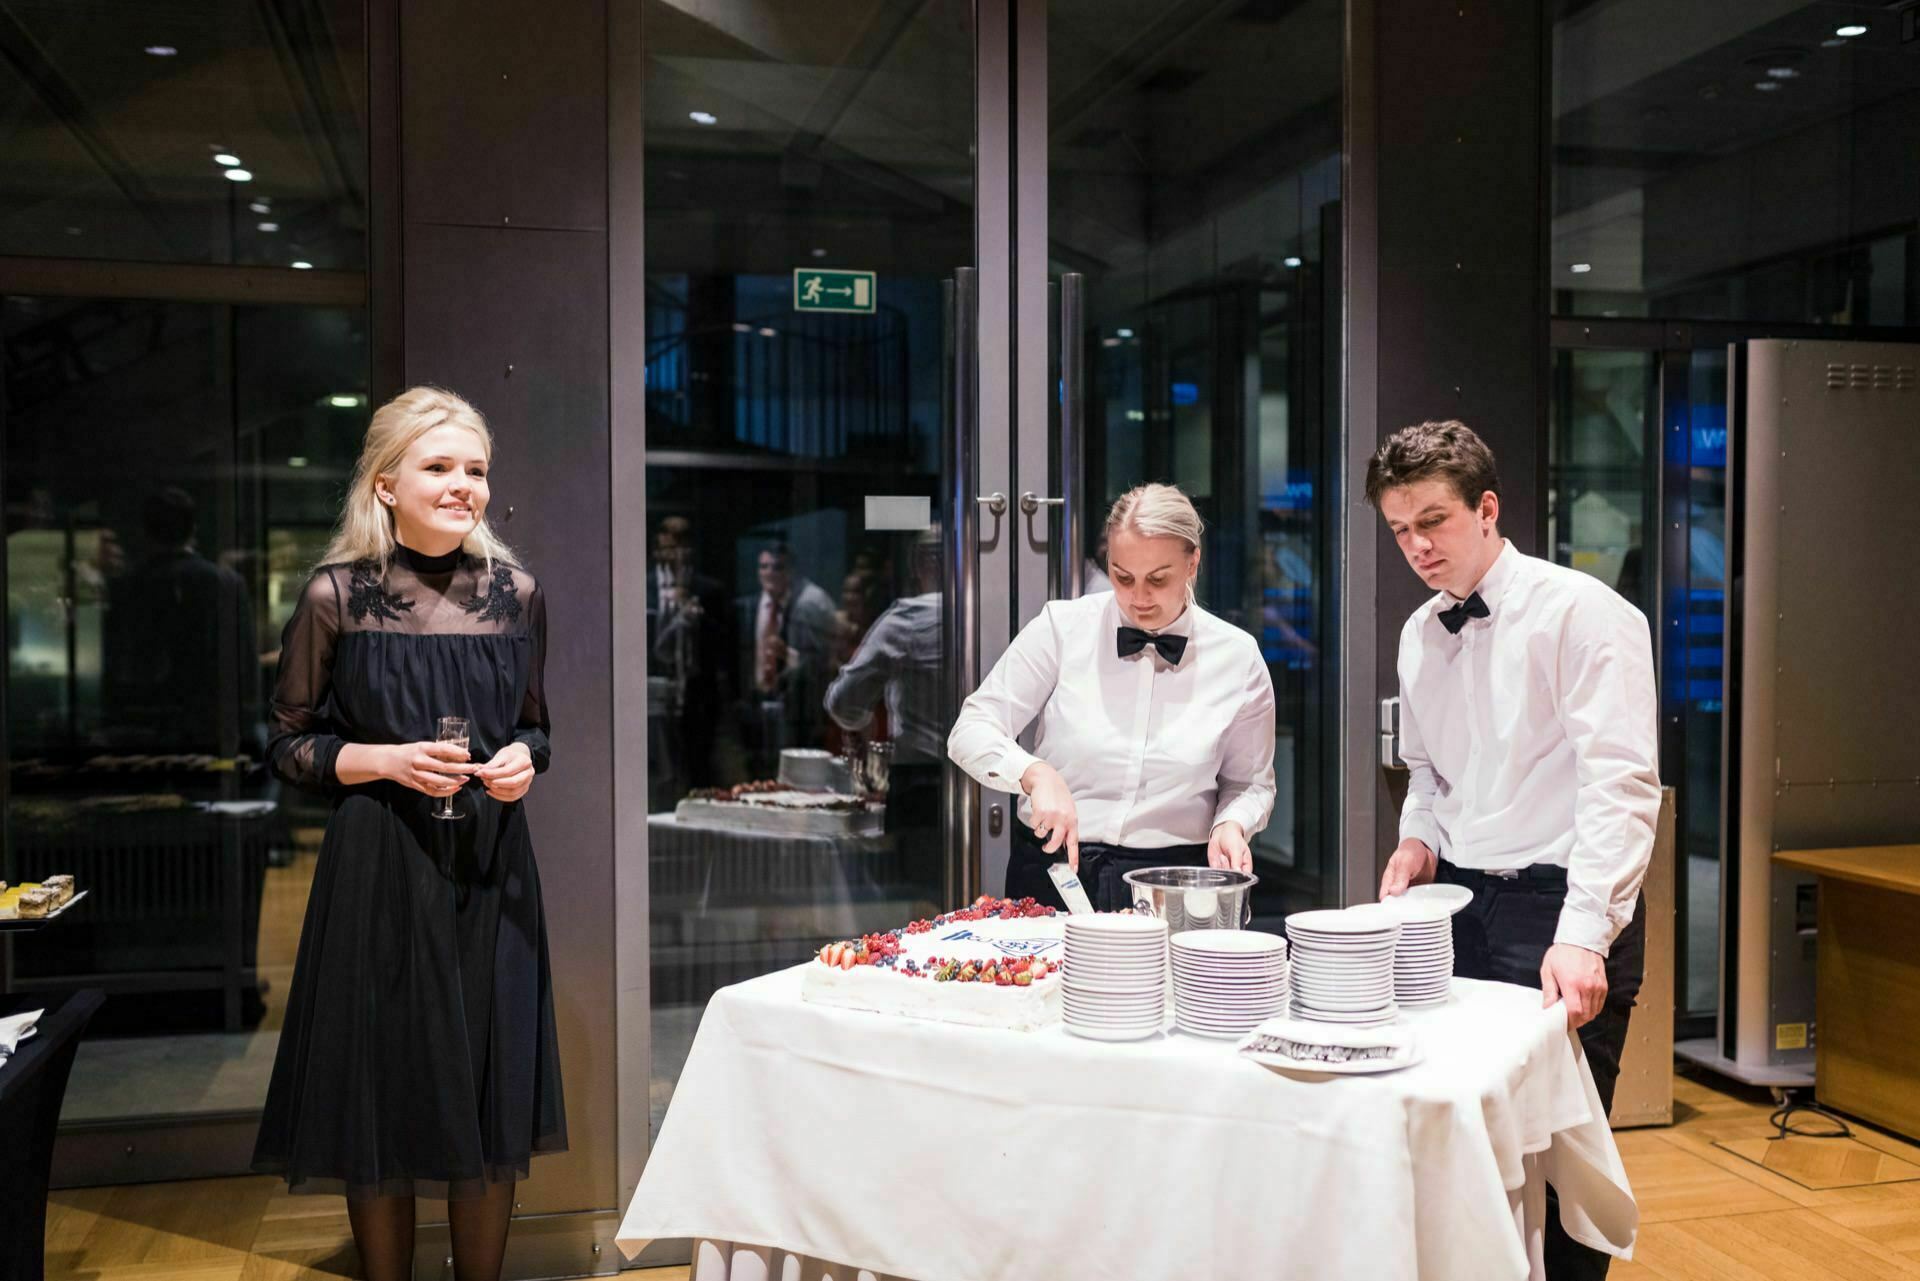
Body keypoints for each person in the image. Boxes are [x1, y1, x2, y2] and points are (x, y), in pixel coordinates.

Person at [252, 387, 566, 1281]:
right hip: (379, 866)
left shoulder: (520, 595)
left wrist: (522, 762)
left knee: (487, 1087)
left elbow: (538, 728)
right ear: (386, 485)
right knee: (380, 1087)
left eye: (476, 469)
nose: (464, 484)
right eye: (440, 466)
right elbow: (284, 743)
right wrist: (383, 761)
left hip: (490, 866)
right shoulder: (334, 596)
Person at [1369, 420, 1658, 1281]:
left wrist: (1586, 933)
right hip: (1458, 906)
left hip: (1562, 907)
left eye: (1433, 521)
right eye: (1398, 529)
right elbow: (1426, 774)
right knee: (1467, 1157)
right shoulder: (1420, 631)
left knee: (1562, 1162)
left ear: (1487, 509)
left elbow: (1621, 785)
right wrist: (1417, 840)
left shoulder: (1586, 612)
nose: (1415, 545)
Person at [948, 483, 1276, 911]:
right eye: (1123, 577)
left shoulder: (1237, 656)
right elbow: (970, 729)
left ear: (1193, 562)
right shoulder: (1063, 628)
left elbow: (1250, 783)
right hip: (1055, 872)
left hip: (1172, 883)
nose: (1138, 598)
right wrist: (1034, 772)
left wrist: (1232, 823)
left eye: (1158, 579)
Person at [826, 528, 942, 843]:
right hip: (994, 784)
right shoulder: (998, 615)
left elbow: (843, 702)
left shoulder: (907, 620)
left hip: (920, 782)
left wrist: (863, 721)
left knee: (920, 887)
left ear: (920, 565)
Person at [736, 541, 836, 772]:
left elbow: (820, 661)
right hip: (752, 705)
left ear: (790, 571)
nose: (769, 573)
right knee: (753, 771)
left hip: (792, 710)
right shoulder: (747, 607)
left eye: (777, 567)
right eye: (763, 567)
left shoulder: (805, 604)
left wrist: (787, 655)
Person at [649, 516, 732, 791]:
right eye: (666, 548)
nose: (673, 554)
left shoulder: (709, 590)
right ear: (656, 550)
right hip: (652, 694)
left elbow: (724, 644)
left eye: (679, 547)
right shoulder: (639, 588)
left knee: (698, 770)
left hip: (698, 697)